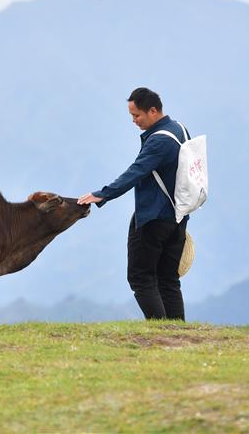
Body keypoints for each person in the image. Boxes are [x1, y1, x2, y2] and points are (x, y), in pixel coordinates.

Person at [78, 87, 189, 321]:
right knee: (168, 279)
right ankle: (180, 333)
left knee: (141, 278)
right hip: (177, 217)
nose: (134, 121)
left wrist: (104, 194)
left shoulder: (159, 141)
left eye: (136, 115)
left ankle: (161, 330)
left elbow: (136, 171)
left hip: (153, 218)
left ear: (153, 110)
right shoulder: (179, 129)